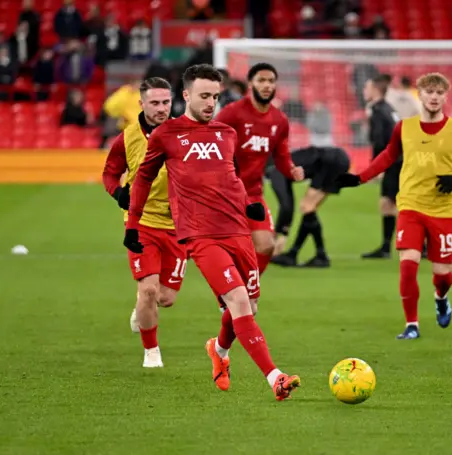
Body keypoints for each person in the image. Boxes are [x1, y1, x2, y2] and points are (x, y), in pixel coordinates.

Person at [125, 64, 300, 400]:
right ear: (187, 95)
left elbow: (227, 177)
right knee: (237, 302)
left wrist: (248, 204)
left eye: (215, 97)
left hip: (236, 229)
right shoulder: (167, 134)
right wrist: (133, 225)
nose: (210, 103)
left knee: (249, 305)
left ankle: (218, 351)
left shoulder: (226, 133)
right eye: (204, 96)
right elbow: (144, 179)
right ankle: (275, 378)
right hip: (200, 235)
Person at [337, 73, 452, 340]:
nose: (434, 97)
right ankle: (411, 324)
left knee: (442, 275)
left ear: (445, 97)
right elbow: (388, 156)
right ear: (421, 95)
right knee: (408, 265)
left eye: (439, 93)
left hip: (443, 210)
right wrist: (360, 177)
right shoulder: (405, 127)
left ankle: (441, 297)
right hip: (411, 205)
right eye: (429, 92)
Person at [102, 77, 183, 368]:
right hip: (142, 222)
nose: (162, 108)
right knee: (149, 290)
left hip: (178, 226)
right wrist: (119, 193)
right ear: (142, 103)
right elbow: (110, 174)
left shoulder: (184, 133)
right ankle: (151, 352)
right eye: (155, 103)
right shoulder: (127, 137)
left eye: (166, 102)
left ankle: (141, 306)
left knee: (165, 298)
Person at [214, 63, 304, 276]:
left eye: (270, 81)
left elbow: (281, 156)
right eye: (261, 80)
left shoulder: (279, 120)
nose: (266, 85)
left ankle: (246, 290)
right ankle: (233, 295)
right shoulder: (233, 113)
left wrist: (291, 170)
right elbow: (211, 140)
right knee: (224, 251)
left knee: (266, 246)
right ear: (250, 84)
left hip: (253, 194)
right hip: (224, 194)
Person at [269, 145, 351, 267]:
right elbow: (288, 203)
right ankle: (298, 254)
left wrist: (281, 234)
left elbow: (286, 205)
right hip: (340, 159)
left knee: (307, 207)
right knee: (309, 210)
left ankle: (318, 255)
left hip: (329, 162)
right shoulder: (287, 161)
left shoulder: (276, 170)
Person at [361, 74, 401, 259]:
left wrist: (377, 166)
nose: (364, 91)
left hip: (394, 162)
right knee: (393, 203)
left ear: (375, 90)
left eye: (367, 88)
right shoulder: (389, 108)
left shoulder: (377, 110)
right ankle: (421, 246)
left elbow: (379, 141)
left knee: (389, 203)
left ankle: (386, 248)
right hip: (401, 159)